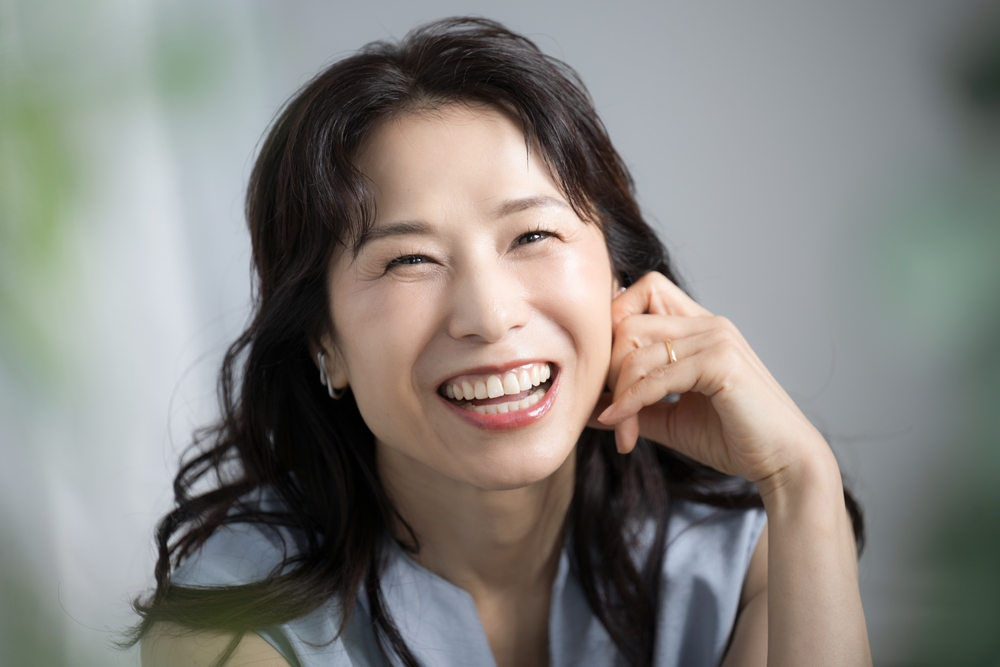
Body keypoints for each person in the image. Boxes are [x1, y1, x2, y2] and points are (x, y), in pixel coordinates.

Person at [133, 17, 871, 667]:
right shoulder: (235, 628)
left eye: (532, 235)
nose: (488, 315)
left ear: (620, 278)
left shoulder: (751, 550)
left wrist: (804, 482)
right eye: (409, 259)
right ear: (324, 340)